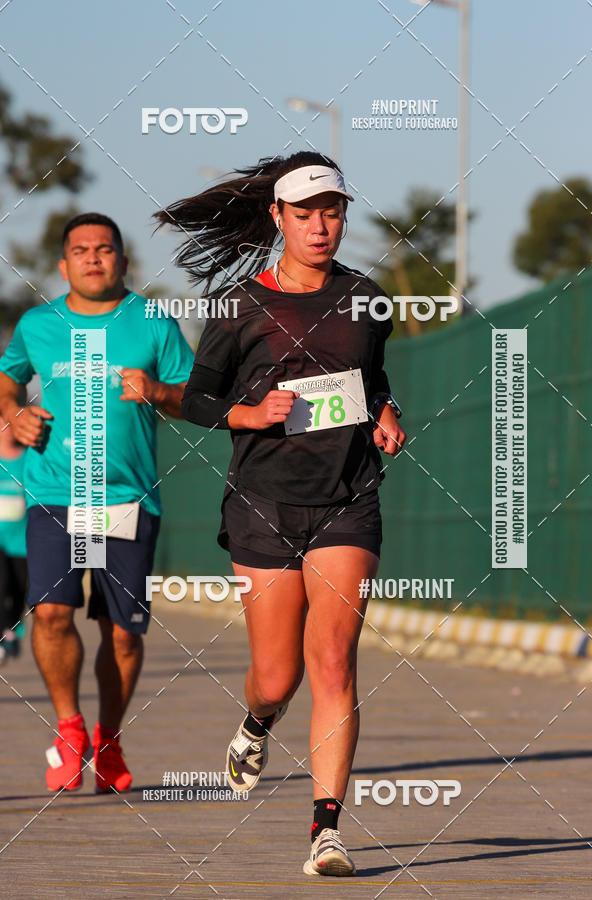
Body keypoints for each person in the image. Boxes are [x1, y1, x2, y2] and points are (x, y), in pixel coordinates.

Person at [156, 151, 405, 877]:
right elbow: (197, 398)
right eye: (305, 213)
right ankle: (258, 721)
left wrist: (388, 411)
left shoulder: (367, 298)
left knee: (333, 662)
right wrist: (248, 411)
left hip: (348, 498)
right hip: (263, 503)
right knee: (277, 676)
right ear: (278, 218)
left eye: (332, 211)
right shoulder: (240, 305)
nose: (321, 226)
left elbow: (373, 377)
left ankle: (326, 830)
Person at [0, 213, 194, 793]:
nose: (93, 258)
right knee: (52, 613)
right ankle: (69, 727)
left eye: (104, 249)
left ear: (122, 261)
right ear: (63, 266)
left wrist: (159, 391)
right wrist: (16, 412)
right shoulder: (39, 324)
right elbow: (7, 379)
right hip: (56, 492)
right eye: (80, 250)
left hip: (127, 498)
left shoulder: (153, 322)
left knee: (123, 633)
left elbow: (191, 397)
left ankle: (109, 737)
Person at [0, 413, 27, 664]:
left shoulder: (29, 460)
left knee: (19, 590)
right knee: (1, 583)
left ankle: (13, 630)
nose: (6, 428)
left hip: (22, 541)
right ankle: (5, 632)